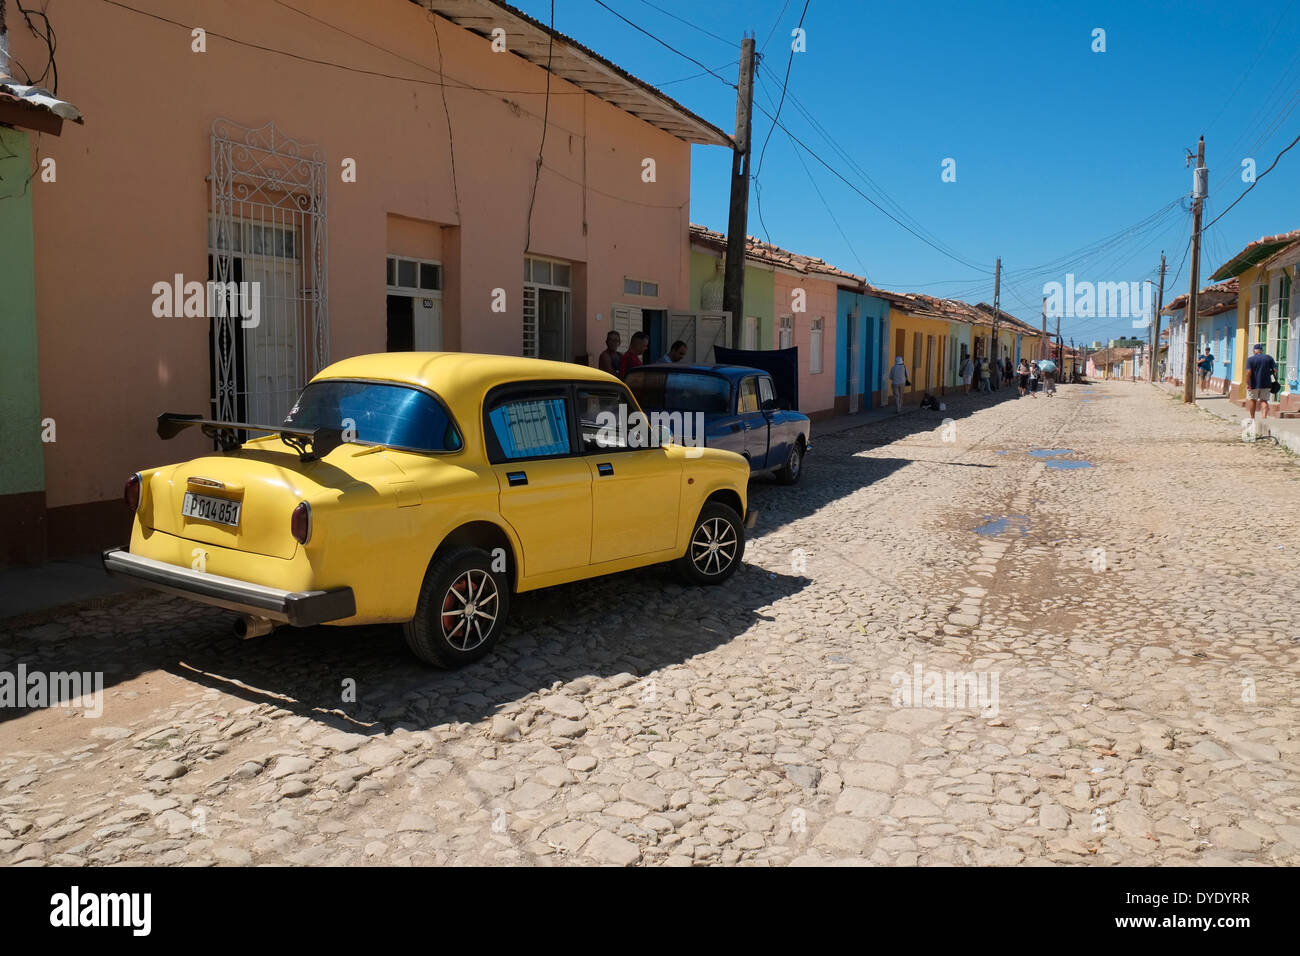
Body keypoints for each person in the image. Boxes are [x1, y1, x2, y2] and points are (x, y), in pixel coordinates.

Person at [1244, 342, 1278, 422]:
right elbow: (1275, 370)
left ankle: (1252, 419)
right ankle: (1264, 418)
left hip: (1253, 384)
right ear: (1261, 350)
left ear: (1254, 351)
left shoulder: (1250, 359)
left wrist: (1247, 383)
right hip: (1266, 383)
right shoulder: (1268, 358)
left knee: (1253, 400)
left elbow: (1248, 372)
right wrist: (1268, 373)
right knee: (1264, 400)